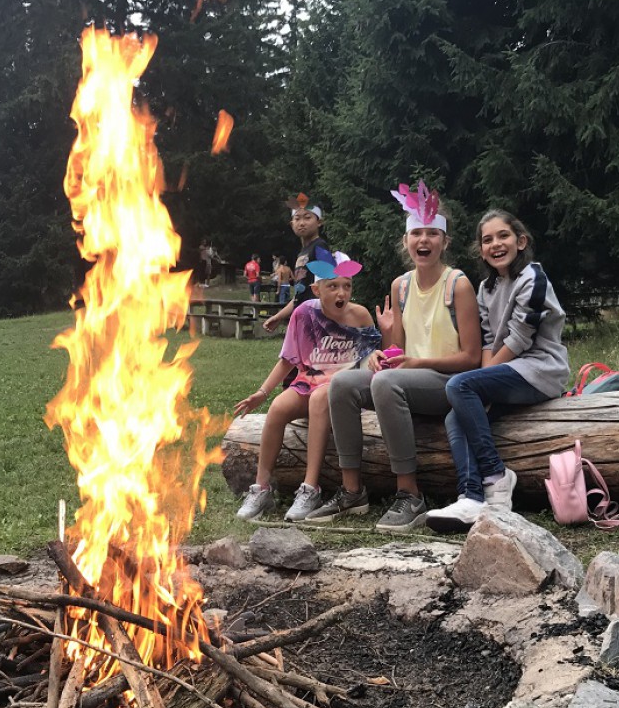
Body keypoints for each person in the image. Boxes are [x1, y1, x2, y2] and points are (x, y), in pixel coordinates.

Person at [305, 180, 480, 532]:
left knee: (386, 383)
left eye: (432, 233)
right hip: (407, 378)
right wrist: (381, 353)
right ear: (406, 240)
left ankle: (409, 494)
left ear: (445, 242)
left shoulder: (457, 284)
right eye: (417, 233)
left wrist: (414, 364)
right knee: (342, 385)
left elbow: (471, 358)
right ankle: (352, 491)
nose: (424, 240)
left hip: (447, 382)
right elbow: (397, 353)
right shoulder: (400, 286)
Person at [425, 211, 570, 533]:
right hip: (509, 370)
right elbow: (489, 339)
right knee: (455, 416)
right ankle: (473, 496)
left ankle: (495, 475)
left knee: (459, 386)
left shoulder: (532, 278)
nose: (496, 244)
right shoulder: (487, 288)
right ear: (480, 250)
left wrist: (479, 383)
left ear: (521, 241)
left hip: (540, 370)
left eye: (503, 236)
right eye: (487, 240)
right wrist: (484, 383)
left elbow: (520, 339)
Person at [233, 252, 381, 522]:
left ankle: (310, 488)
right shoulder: (304, 314)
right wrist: (262, 392)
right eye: (332, 286)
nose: (341, 293)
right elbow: (287, 360)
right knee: (278, 407)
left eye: (347, 286)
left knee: (319, 399)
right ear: (316, 289)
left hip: (341, 388)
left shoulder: (360, 315)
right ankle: (261, 488)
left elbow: (372, 354)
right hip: (307, 382)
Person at [262, 194, 332, 332]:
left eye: (307, 217)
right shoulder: (302, 253)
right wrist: (278, 317)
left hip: (317, 320)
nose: (302, 223)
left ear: (319, 222)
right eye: (297, 218)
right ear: (291, 223)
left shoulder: (320, 247)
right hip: (303, 318)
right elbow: (299, 295)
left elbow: (330, 285)